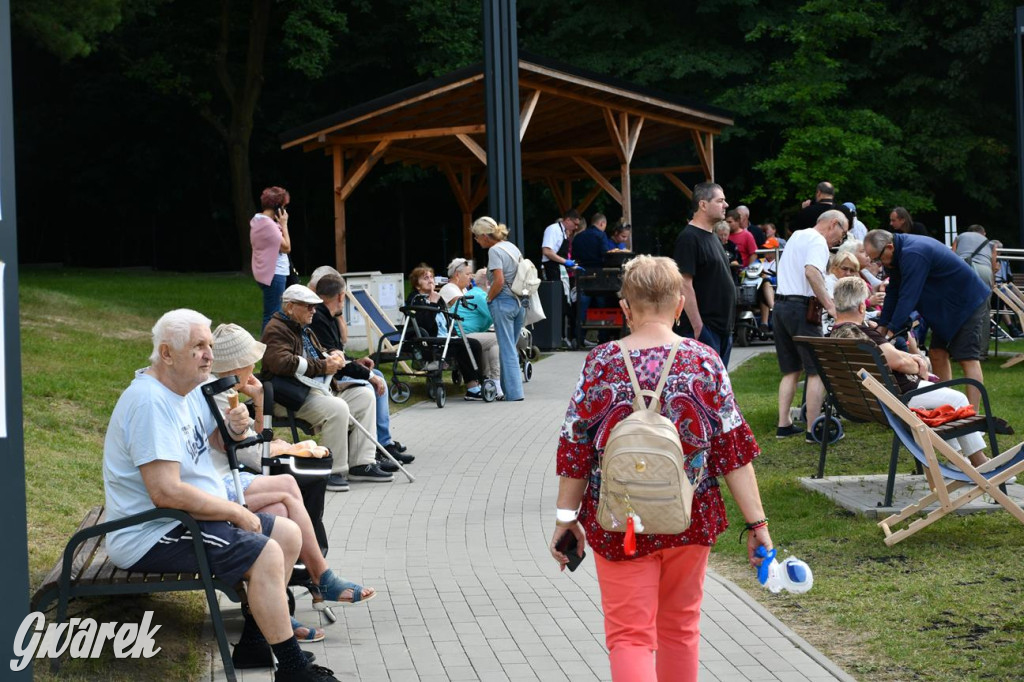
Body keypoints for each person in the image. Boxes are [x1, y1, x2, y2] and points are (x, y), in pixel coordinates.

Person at [548, 255, 772, 682]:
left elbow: (575, 446)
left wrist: (565, 520)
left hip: (619, 522)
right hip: (690, 516)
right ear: (679, 304)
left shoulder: (601, 362)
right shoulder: (704, 361)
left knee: (629, 636)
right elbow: (732, 453)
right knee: (681, 629)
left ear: (625, 309)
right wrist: (757, 523)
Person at [102, 309, 338, 681]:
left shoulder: (191, 387)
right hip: (152, 532)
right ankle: (292, 671)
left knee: (287, 534)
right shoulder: (150, 402)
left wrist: (233, 425)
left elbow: (214, 441)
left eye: (210, 345)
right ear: (166, 354)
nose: (209, 355)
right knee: (266, 550)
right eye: (198, 347)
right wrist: (233, 511)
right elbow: (165, 492)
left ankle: (257, 642)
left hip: (183, 517)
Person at [207, 323, 377, 635]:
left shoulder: (227, 391)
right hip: (217, 483)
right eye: (250, 360)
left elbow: (249, 438)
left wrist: (258, 399)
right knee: (287, 488)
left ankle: (281, 609)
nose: (255, 365)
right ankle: (318, 580)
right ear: (235, 364)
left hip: (227, 477)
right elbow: (243, 448)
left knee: (283, 513)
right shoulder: (218, 395)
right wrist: (273, 444)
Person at [829, 277, 994, 468]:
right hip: (899, 397)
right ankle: (980, 463)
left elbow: (892, 356)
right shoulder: (860, 332)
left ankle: (958, 462)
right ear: (861, 307)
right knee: (957, 400)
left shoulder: (838, 333)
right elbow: (898, 362)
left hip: (871, 401)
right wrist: (919, 365)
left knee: (943, 405)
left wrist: (912, 360)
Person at [261, 285, 391, 492]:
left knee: (364, 395)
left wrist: (359, 370)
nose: (314, 311)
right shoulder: (275, 329)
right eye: (309, 307)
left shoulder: (304, 328)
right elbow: (281, 363)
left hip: (313, 390)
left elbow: (323, 357)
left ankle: (361, 463)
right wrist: (324, 365)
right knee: (337, 407)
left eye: (315, 307)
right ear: (291, 307)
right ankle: (331, 470)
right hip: (288, 397)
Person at [864, 229, 990, 408]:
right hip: (944, 306)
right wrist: (882, 326)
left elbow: (909, 296)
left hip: (965, 302)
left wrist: (891, 330)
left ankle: (973, 418)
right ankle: (947, 407)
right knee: (937, 354)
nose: (877, 263)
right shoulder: (896, 256)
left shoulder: (913, 253)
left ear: (890, 247)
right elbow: (893, 292)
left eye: (877, 258)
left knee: (967, 358)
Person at [310, 274, 413, 467]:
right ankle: (377, 447)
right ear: (341, 297)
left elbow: (338, 352)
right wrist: (368, 375)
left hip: (330, 373)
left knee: (377, 377)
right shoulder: (319, 318)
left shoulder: (325, 316)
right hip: (327, 379)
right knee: (372, 382)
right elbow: (334, 359)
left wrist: (357, 361)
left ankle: (383, 443)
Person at [773, 210, 848, 442]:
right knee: (816, 370)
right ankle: (813, 429)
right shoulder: (818, 241)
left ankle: (783, 424)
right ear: (833, 224)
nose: (840, 240)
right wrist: (831, 306)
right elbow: (811, 272)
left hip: (781, 306)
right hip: (801, 309)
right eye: (842, 234)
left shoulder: (797, 236)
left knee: (791, 370)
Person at [672, 181, 735, 365]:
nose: (726, 205)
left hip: (723, 329)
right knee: (703, 388)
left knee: (718, 389)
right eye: (720, 201)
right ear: (703, 204)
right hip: (705, 329)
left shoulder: (713, 236)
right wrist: (698, 326)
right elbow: (684, 284)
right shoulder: (689, 238)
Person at [407, 263, 488, 401]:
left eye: (431, 277)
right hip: (429, 341)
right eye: (425, 278)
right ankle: (473, 387)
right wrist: (432, 303)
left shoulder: (438, 299)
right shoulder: (415, 299)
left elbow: (447, 321)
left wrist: (455, 335)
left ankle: (478, 383)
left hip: (444, 338)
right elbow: (424, 324)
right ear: (417, 284)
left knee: (473, 344)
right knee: (466, 346)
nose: (430, 280)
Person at [472, 216, 526, 401]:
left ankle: (514, 393)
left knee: (507, 349)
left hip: (503, 301)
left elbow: (499, 280)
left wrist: (489, 298)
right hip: (520, 302)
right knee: (510, 347)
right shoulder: (512, 247)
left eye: (477, 236)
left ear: (485, 236)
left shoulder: (494, 251)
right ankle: (506, 390)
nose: (476, 241)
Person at [440, 258, 503, 399]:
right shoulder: (450, 289)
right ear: (457, 274)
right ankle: (495, 382)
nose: (471, 277)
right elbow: (468, 310)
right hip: (458, 332)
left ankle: (488, 380)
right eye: (468, 274)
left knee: (489, 340)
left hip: (464, 331)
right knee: (496, 339)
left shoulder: (464, 290)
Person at [251, 186, 294, 331]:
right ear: (277, 207)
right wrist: (284, 224)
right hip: (275, 274)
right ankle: (267, 349)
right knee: (272, 315)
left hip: (267, 272)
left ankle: (270, 347)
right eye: (284, 207)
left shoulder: (257, 221)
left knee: (274, 313)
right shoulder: (268, 225)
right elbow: (287, 247)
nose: (285, 211)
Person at [540, 208, 582, 280]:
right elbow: (547, 251)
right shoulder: (553, 229)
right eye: (575, 224)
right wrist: (565, 261)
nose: (576, 227)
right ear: (568, 220)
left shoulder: (564, 233)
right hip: (551, 270)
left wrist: (573, 267)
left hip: (560, 270)